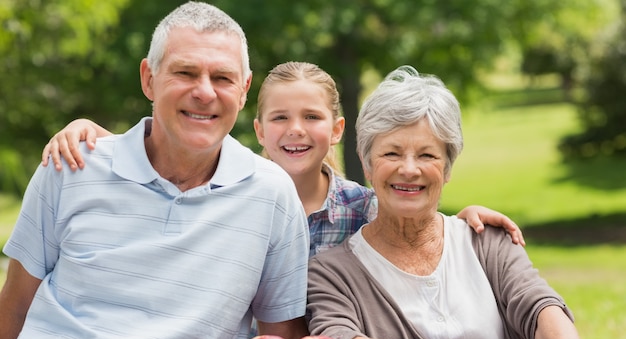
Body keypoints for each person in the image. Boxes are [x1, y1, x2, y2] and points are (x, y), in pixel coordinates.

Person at [0, 3, 310, 339]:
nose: (204, 91)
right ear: (149, 78)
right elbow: (16, 304)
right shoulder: (71, 167)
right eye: (185, 73)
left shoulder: (272, 194)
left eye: (222, 78)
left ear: (244, 89)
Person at [306, 65, 626, 339]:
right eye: (392, 153)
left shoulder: (483, 240)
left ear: (447, 168)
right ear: (367, 166)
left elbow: (537, 304)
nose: (409, 169)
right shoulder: (331, 272)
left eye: (427, 155)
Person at [42, 62, 525, 254]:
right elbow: (165, 156)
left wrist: (461, 222)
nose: (295, 131)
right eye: (279, 119)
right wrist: (94, 135)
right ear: (257, 131)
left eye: (312, 117)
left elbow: (416, 222)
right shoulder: (227, 196)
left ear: (336, 130)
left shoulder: (362, 209)